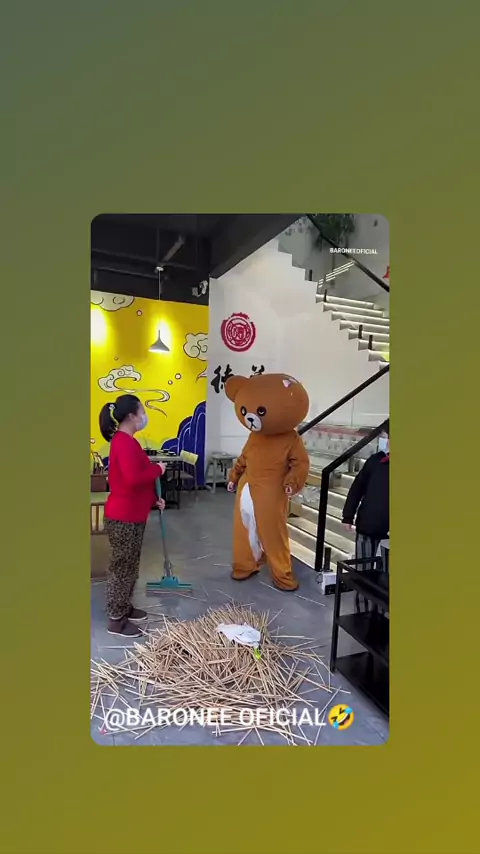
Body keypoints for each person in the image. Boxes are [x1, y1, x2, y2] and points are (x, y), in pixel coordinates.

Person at [225, 373, 310, 591]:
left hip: (272, 492)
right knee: (244, 530)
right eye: (246, 411)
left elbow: (300, 464)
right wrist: (234, 476)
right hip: (247, 488)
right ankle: (245, 565)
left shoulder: (290, 438)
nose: (251, 417)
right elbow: (244, 457)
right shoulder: (255, 436)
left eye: (260, 412)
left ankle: (282, 574)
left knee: (273, 534)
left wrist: (292, 482)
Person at [98, 394, 166, 637]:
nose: (144, 416)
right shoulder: (123, 443)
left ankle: (124, 606)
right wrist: (158, 469)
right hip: (123, 517)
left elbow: (137, 479)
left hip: (133, 515)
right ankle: (116, 620)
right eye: (142, 411)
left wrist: (153, 500)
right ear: (131, 416)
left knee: (130, 565)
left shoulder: (129, 442)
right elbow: (133, 478)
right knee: (122, 567)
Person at [342, 422, 389, 609]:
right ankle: (362, 610)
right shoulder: (375, 461)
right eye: (385, 437)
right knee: (363, 573)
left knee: (386, 577)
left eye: (387, 437)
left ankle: (383, 614)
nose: (386, 441)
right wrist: (348, 515)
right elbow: (357, 488)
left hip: (389, 535)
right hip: (367, 526)